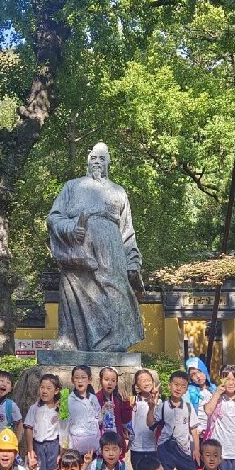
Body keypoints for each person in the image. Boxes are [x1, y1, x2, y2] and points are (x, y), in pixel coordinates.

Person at [47, 142, 144, 352]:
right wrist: (71, 229)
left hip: (111, 250)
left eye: (101, 159)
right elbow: (54, 217)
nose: (97, 162)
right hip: (79, 248)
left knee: (116, 291)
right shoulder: (72, 186)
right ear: (87, 162)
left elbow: (127, 230)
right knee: (72, 288)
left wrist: (132, 260)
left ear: (108, 162)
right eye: (93, 158)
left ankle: (113, 340)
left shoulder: (118, 191)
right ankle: (71, 341)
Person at [153, 371, 200, 470]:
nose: (179, 388)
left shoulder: (188, 407)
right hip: (165, 446)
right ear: (169, 385)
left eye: (183, 386)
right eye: (176, 384)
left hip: (183, 447)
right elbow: (151, 424)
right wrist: (150, 408)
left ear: (186, 390)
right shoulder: (163, 406)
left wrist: (196, 449)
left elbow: (194, 429)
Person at [25, 373, 63, 470]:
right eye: (42, 387)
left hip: (53, 445)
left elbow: (64, 431)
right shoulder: (34, 408)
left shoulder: (60, 409)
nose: (44, 391)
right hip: (38, 445)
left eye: (48, 388)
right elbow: (29, 428)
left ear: (56, 391)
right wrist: (30, 449)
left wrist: (61, 452)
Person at [63, 365, 101, 457]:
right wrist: (63, 448)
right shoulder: (65, 399)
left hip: (93, 447)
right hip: (74, 449)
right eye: (77, 378)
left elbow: (99, 419)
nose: (80, 381)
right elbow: (62, 426)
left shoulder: (94, 398)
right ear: (72, 380)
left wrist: (104, 412)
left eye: (83, 377)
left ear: (89, 380)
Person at [129, 369, 160, 469]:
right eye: (143, 381)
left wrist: (155, 400)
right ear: (137, 385)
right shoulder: (133, 401)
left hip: (153, 446)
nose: (147, 383)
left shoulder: (159, 402)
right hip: (137, 446)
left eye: (149, 380)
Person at [96, 367, 132, 450]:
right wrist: (102, 411)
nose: (110, 383)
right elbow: (93, 422)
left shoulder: (118, 399)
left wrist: (126, 404)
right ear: (100, 381)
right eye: (106, 380)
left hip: (116, 440)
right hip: (101, 441)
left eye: (113, 380)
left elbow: (125, 420)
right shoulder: (95, 398)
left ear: (116, 383)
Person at [185, 357, 216, 437]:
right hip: (197, 434)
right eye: (193, 374)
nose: (198, 376)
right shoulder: (189, 392)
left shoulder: (214, 389)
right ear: (190, 378)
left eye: (199, 371)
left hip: (213, 433)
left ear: (204, 370)